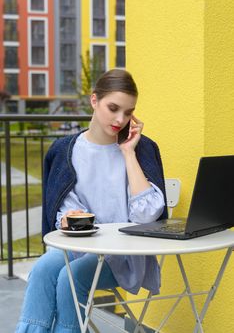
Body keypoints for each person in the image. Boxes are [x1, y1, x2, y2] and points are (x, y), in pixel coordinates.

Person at [15, 69, 168, 333]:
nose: (120, 119)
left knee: (70, 279)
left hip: (125, 255)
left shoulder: (142, 148)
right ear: (94, 101)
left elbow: (146, 215)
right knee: (41, 270)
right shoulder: (65, 151)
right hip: (82, 248)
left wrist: (128, 153)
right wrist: (67, 218)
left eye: (128, 112)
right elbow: (63, 213)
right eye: (113, 108)